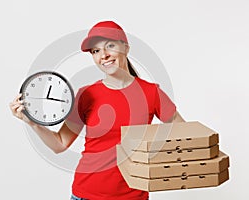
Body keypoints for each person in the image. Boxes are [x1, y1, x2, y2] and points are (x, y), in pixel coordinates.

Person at [9, 21, 185, 200]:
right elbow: (60, 143)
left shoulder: (151, 92)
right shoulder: (86, 95)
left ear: (125, 48)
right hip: (85, 194)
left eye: (110, 46)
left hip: (133, 197)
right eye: (96, 51)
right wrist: (31, 122)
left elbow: (184, 134)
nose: (104, 55)